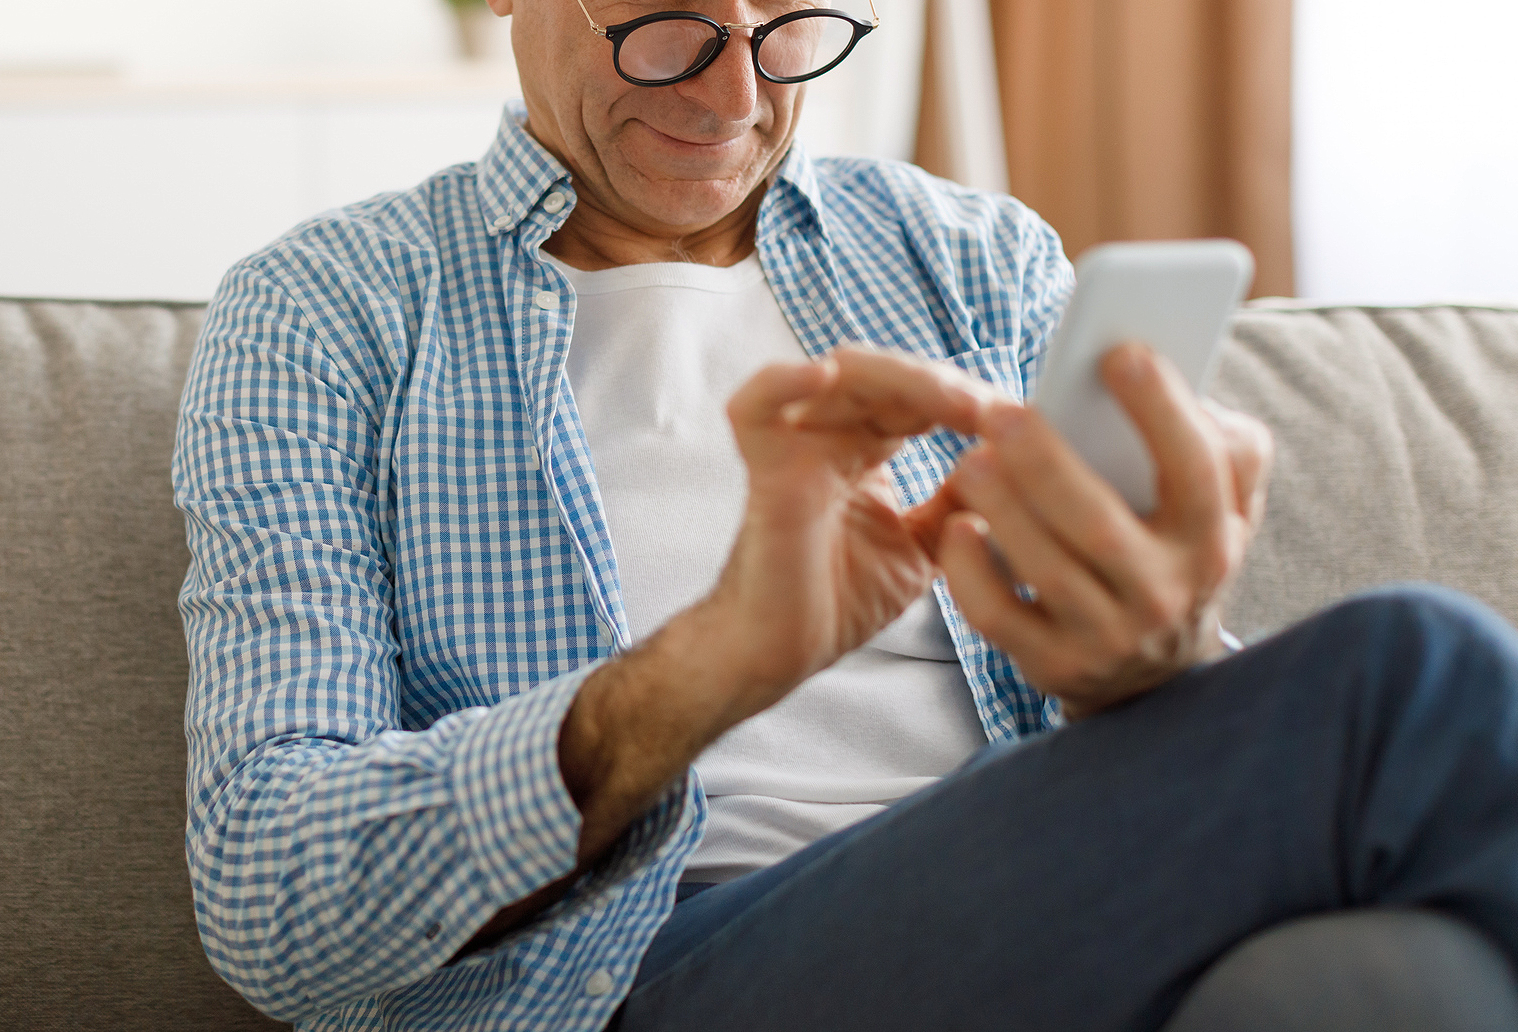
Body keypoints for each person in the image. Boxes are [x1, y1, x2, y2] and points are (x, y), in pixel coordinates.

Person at [171, 0, 1518, 1027]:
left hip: (1046, 908)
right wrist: (724, 660)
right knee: (1411, 667)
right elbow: (270, 891)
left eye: (790, 28)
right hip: (646, 973)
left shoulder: (971, 255)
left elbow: (1137, 756)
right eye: (669, 27)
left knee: (1400, 979)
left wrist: (1159, 664)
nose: (735, 94)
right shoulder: (330, 308)